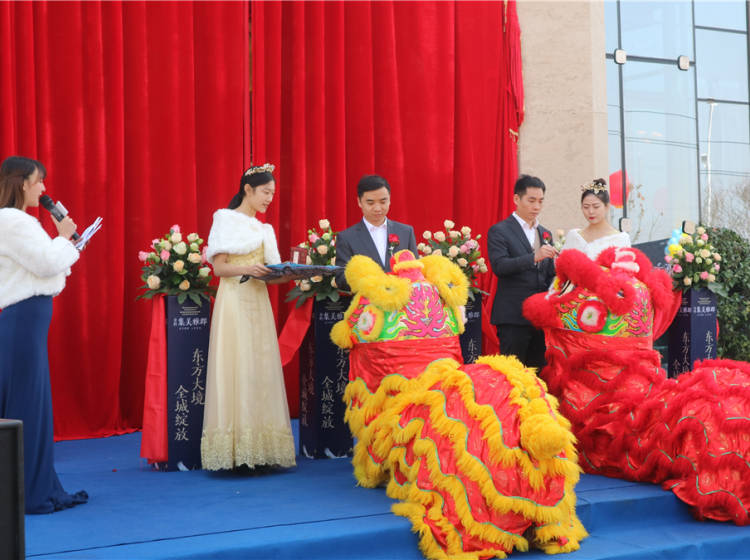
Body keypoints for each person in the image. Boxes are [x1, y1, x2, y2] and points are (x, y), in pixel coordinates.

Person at [0, 155, 88, 513]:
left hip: (29, 319)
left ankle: (28, 485)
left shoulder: (20, 221)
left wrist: (65, 245)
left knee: (30, 402)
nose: (44, 188)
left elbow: (50, 273)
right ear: (23, 183)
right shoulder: (12, 220)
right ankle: (27, 490)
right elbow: (48, 263)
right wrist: (64, 239)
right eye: (39, 181)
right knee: (27, 404)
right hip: (23, 319)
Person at [200, 163, 296, 471]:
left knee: (259, 368)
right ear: (248, 190)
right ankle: (234, 451)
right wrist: (248, 269)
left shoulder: (264, 229)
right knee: (236, 365)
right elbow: (219, 268)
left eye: (272, 193)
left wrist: (296, 272)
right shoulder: (225, 218)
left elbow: (272, 273)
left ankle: (261, 450)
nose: (269, 198)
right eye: (265, 192)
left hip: (258, 302)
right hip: (234, 301)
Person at [487, 174, 556, 370]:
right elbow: (500, 266)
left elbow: (549, 273)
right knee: (513, 374)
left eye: (540, 201)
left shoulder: (545, 233)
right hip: (513, 316)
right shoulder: (499, 231)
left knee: (538, 373)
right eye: (531, 201)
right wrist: (534, 257)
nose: (537, 207)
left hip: (539, 317)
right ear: (516, 199)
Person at [335, 174, 417, 290]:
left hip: (401, 299)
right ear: (359, 202)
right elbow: (341, 279)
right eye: (370, 203)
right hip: (366, 299)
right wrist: (371, 282)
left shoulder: (405, 232)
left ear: (390, 199)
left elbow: (415, 270)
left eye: (383, 202)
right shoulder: (346, 237)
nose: (377, 208)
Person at [561, 178, 630, 259]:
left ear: (607, 206)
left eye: (596, 207)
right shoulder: (574, 236)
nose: (591, 211)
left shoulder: (620, 239)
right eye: (586, 207)